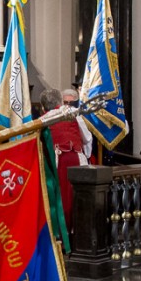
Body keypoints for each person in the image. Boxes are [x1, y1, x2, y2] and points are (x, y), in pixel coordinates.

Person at [40, 87, 92, 231]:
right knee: (77, 198)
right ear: (61, 102)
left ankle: (60, 234)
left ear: (43, 107)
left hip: (55, 163)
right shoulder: (73, 114)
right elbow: (87, 139)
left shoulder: (42, 120)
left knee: (58, 199)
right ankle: (78, 231)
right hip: (78, 160)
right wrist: (86, 155)